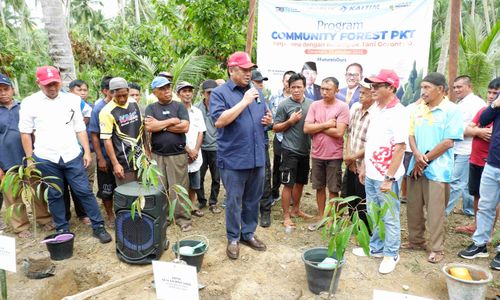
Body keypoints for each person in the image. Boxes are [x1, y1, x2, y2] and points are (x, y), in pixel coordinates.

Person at [19, 66, 111, 243]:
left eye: (55, 83)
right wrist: (30, 159)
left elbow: (80, 127)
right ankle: (62, 228)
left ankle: (98, 225)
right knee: (55, 193)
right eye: (47, 85)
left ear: (60, 81)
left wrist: (86, 151)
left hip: (71, 154)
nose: (52, 88)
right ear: (38, 83)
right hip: (46, 157)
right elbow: (25, 132)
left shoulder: (72, 100)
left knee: (84, 190)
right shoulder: (29, 103)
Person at [210, 51, 272, 259]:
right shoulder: (220, 93)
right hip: (234, 158)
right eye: (244, 70)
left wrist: (268, 120)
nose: (248, 73)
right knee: (234, 200)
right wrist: (244, 101)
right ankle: (233, 238)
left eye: (250, 70)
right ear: (231, 70)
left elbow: (263, 114)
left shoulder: (256, 91)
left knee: (253, 198)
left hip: (257, 155)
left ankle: (248, 233)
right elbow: (219, 121)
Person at [351, 69, 406, 274]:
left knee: (390, 216)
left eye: (377, 86)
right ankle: (376, 248)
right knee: (374, 212)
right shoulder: (376, 108)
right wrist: (364, 166)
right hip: (372, 172)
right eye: (371, 85)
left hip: (386, 176)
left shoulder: (399, 112)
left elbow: (400, 147)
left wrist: (389, 178)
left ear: (391, 88)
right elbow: (371, 141)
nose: (372, 89)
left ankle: (391, 253)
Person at [405, 72, 463, 263]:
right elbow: (411, 135)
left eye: (427, 87)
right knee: (413, 206)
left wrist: (425, 159)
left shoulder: (451, 110)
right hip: (416, 166)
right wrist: (416, 155)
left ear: (440, 89)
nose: (422, 91)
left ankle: (437, 248)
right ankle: (416, 240)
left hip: (438, 169)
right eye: (422, 87)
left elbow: (448, 142)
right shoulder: (418, 108)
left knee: (435, 210)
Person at [1, 73, 53, 238]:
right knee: (12, 196)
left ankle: (44, 219)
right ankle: (21, 226)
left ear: (12, 89)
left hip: (29, 158)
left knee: (36, 190)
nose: (3, 93)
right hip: (6, 161)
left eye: (5, 89)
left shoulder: (25, 106)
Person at [458, 87, 500, 270]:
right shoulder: (496, 104)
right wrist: (495, 104)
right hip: (492, 163)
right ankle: (480, 243)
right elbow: (483, 121)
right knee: (485, 205)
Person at [144, 76, 192, 232]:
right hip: (157, 155)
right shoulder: (151, 108)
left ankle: (182, 218)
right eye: (162, 89)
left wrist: (160, 125)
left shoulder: (179, 106)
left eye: (168, 88)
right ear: (155, 92)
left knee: (179, 187)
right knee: (161, 187)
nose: (167, 91)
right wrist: (171, 121)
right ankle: (164, 216)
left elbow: (184, 127)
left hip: (177, 154)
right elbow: (150, 127)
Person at [304, 77, 349, 231]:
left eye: (328, 89)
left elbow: (339, 132)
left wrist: (317, 126)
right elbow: (306, 129)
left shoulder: (342, 107)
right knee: (319, 187)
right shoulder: (315, 105)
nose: (324, 92)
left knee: (334, 189)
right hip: (317, 154)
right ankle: (323, 217)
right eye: (322, 88)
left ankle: (332, 219)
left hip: (334, 156)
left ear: (336, 90)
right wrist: (326, 124)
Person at [273, 73, 314, 228]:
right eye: (293, 87)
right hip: (289, 150)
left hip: (305, 150)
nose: (296, 90)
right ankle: (286, 216)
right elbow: (275, 127)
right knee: (288, 184)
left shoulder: (311, 104)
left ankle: (296, 209)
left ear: (305, 87)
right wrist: (289, 122)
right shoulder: (284, 105)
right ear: (288, 88)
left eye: (299, 87)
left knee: (300, 182)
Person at [446, 75, 485, 216]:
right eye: (454, 87)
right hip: (457, 147)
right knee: (465, 182)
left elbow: (480, 128)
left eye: (459, 87)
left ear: (469, 87)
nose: (456, 90)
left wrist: (469, 130)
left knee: (456, 182)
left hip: (467, 149)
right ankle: (469, 210)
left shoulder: (477, 104)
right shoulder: (460, 103)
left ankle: (442, 211)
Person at [99, 77, 148, 186]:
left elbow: (141, 129)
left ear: (128, 91)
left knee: (145, 192)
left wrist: (147, 152)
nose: (122, 99)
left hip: (142, 159)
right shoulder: (106, 112)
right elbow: (107, 140)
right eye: (118, 96)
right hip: (124, 162)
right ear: (111, 93)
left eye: (124, 95)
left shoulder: (133, 103)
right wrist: (115, 164)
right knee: (129, 197)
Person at [341, 80, 375, 229]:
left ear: (373, 95)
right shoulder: (355, 109)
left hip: (365, 166)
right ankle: (354, 227)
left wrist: (352, 158)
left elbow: (372, 143)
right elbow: (349, 135)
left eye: (364, 93)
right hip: (351, 163)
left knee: (363, 199)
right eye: (360, 92)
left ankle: (365, 231)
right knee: (349, 197)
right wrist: (349, 157)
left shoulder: (376, 114)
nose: (360, 96)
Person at [88, 76, 116, 226]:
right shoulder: (98, 109)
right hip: (106, 156)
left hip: (120, 157)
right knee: (107, 188)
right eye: (113, 91)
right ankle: (110, 215)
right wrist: (100, 158)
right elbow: (94, 135)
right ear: (105, 91)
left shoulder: (122, 105)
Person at [178, 81, 206, 218]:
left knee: (194, 185)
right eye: (184, 91)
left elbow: (201, 132)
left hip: (196, 154)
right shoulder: (175, 112)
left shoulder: (198, 112)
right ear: (178, 94)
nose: (187, 93)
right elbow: (175, 135)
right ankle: (180, 210)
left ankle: (191, 206)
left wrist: (195, 150)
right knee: (180, 184)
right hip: (180, 153)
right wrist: (188, 150)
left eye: (189, 90)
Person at [269, 70, 296, 203]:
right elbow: (271, 119)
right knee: (277, 165)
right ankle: (274, 193)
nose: (289, 84)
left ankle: (290, 194)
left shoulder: (299, 99)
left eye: (292, 81)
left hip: (294, 140)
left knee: (291, 166)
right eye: (287, 81)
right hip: (279, 138)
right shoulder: (274, 97)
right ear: (283, 82)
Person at [196, 80, 222, 214]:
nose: (211, 95)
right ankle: (201, 201)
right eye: (208, 93)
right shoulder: (196, 108)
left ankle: (213, 202)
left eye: (214, 92)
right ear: (203, 94)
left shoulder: (221, 107)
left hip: (217, 148)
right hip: (201, 148)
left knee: (216, 178)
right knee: (199, 177)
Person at [251, 69, 273, 227]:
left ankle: (265, 211)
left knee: (265, 178)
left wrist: (269, 122)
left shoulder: (263, 100)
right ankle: (249, 211)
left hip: (262, 144)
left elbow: (270, 123)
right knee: (248, 179)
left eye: (262, 82)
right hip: (245, 146)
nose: (261, 84)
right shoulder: (240, 99)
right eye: (258, 82)